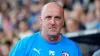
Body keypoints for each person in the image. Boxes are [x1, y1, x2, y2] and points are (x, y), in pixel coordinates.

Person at [9, 2, 82, 56]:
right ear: (41, 21)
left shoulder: (73, 48)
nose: (53, 22)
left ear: (63, 22)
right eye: (48, 17)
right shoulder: (24, 45)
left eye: (57, 18)